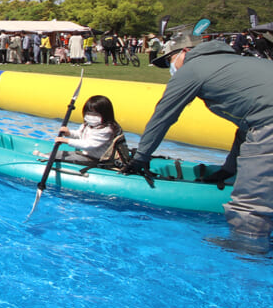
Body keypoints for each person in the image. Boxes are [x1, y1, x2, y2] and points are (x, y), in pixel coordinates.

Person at [125, 35, 273, 242]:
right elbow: (245, 129)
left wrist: (140, 158)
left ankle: (247, 253)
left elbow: (163, 116)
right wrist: (229, 169)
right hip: (264, 120)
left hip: (269, 124)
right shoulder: (242, 63)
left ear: (185, 52)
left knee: (249, 205)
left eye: (170, 61)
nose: (171, 68)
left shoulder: (193, 69)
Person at [55, 95, 129, 165]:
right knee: (57, 153)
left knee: (58, 156)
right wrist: (69, 133)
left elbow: (89, 144)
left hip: (95, 159)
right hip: (87, 155)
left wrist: (67, 141)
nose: (91, 117)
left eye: (95, 114)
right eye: (88, 113)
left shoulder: (106, 130)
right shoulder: (88, 125)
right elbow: (80, 134)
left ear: (105, 114)